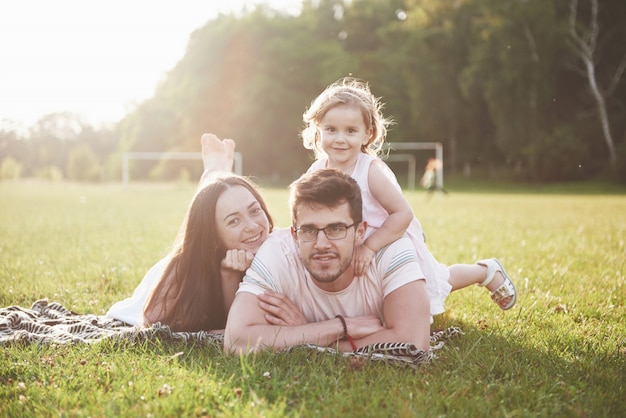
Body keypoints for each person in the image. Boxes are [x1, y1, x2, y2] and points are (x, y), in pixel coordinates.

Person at [224, 168, 517, 354]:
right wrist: (337, 328)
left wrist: (302, 339)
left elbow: (413, 342)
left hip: (405, 287)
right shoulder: (278, 251)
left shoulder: (392, 250)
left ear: (361, 231)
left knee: (440, 281)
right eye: (310, 230)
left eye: (337, 229)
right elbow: (236, 341)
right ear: (293, 233)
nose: (322, 244)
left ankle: (483, 271)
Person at [300, 77, 514, 311]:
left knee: (439, 280)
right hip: (350, 244)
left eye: (350, 131)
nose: (340, 138)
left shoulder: (369, 171)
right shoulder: (316, 171)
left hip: (387, 239)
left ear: (367, 135)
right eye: (331, 129)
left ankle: (485, 271)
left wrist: (370, 247)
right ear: (318, 132)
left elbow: (403, 213)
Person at [106, 134, 300, 332]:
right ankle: (212, 173)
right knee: (204, 211)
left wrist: (228, 275)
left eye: (255, 210)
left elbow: (242, 326)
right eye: (234, 220)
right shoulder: (183, 269)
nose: (252, 226)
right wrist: (228, 274)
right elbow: (152, 322)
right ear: (213, 237)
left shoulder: (279, 245)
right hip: (192, 264)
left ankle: (214, 174)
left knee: (212, 201)